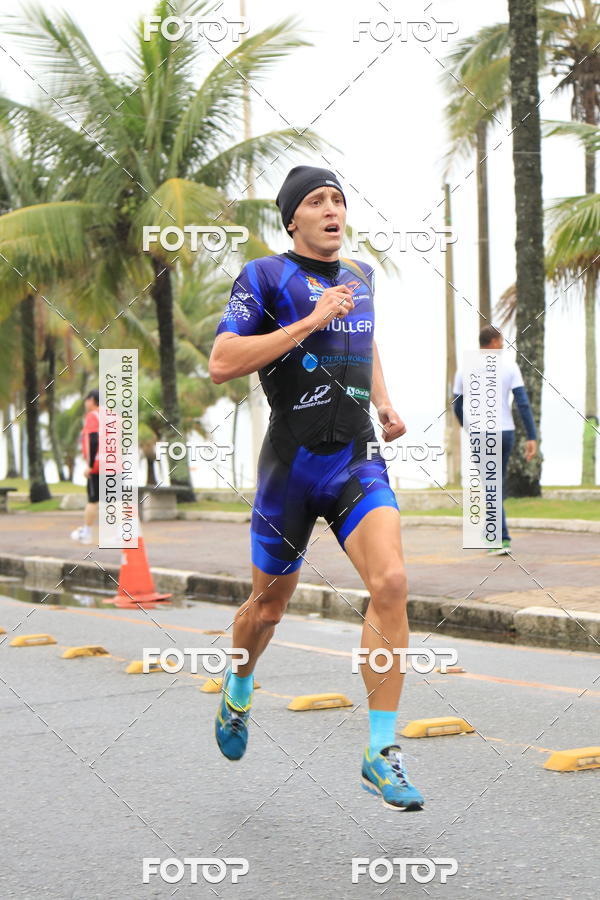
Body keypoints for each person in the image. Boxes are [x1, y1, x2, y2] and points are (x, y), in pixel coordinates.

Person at [208, 165, 424, 811]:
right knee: (267, 610)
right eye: (316, 201)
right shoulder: (264, 277)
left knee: (391, 584)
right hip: (291, 465)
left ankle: (380, 752)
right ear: (292, 219)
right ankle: (239, 687)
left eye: (338, 198)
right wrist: (308, 321)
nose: (332, 209)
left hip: (355, 456)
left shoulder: (362, 277)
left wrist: (383, 401)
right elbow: (222, 362)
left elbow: (364, 337)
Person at [452, 325, 537, 555]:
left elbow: (457, 405)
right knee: (495, 484)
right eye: (502, 340)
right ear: (494, 342)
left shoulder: (464, 369)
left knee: (491, 485)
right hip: (506, 432)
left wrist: (469, 428)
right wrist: (531, 436)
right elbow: (522, 403)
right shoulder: (510, 366)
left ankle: (499, 538)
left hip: (481, 433)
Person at [70, 388, 100, 545]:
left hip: (98, 466)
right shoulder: (114, 417)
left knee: (93, 500)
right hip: (115, 465)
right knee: (115, 500)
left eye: (86, 400)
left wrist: (90, 465)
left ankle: (86, 533)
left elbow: (93, 440)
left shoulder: (93, 416)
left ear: (92, 400)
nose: (85, 403)